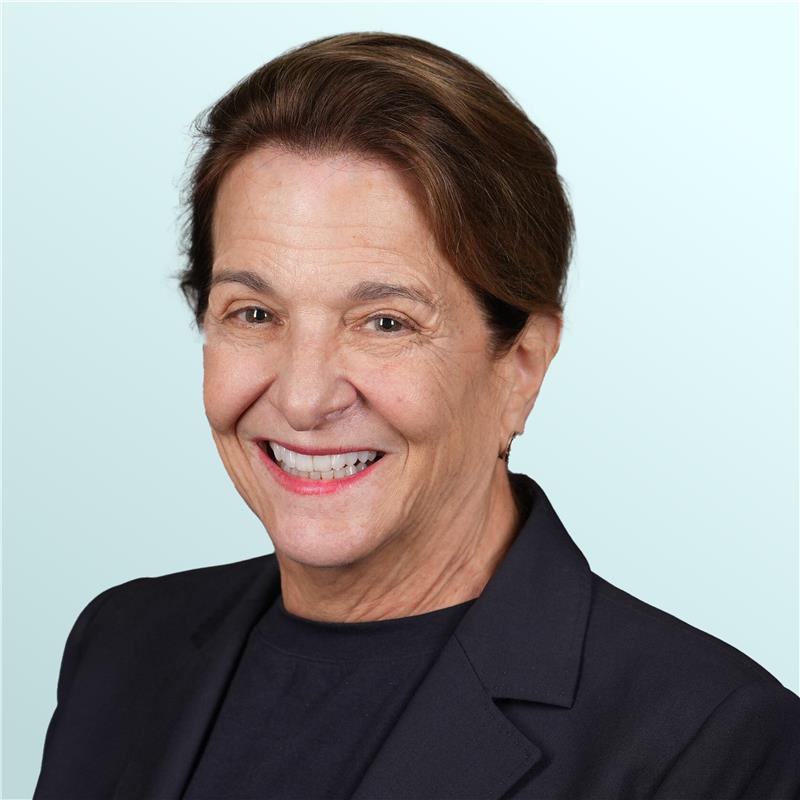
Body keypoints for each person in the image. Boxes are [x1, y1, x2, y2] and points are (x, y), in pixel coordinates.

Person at [34, 31, 799, 800]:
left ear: (521, 367)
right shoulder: (122, 645)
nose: (302, 398)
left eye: (385, 322)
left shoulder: (715, 746)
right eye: (255, 312)